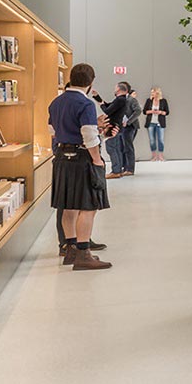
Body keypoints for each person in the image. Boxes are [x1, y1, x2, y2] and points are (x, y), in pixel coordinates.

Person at [48, 63, 111, 270]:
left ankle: (71, 249)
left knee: (68, 206)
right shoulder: (86, 104)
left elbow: (52, 129)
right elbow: (89, 135)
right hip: (81, 158)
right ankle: (84, 254)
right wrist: (97, 159)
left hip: (62, 158)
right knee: (88, 207)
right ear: (91, 83)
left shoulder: (56, 102)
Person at [93, 83, 130, 179]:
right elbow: (108, 106)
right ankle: (118, 170)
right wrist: (97, 98)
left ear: (119, 89)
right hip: (116, 126)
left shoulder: (120, 100)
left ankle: (116, 171)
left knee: (112, 149)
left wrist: (101, 104)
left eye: (115, 87)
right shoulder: (121, 100)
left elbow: (107, 110)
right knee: (116, 149)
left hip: (112, 127)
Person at [143, 86, 169, 162]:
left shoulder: (163, 101)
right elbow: (144, 111)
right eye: (151, 92)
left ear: (157, 92)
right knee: (152, 140)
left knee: (161, 140)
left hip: (160, 123)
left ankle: (160, 156)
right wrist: (151, 111)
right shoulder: (149, 100)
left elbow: (167, 112)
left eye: (153, 92)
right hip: (151, 123)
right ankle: (154, 156)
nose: (152, 94)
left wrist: (160, 112)